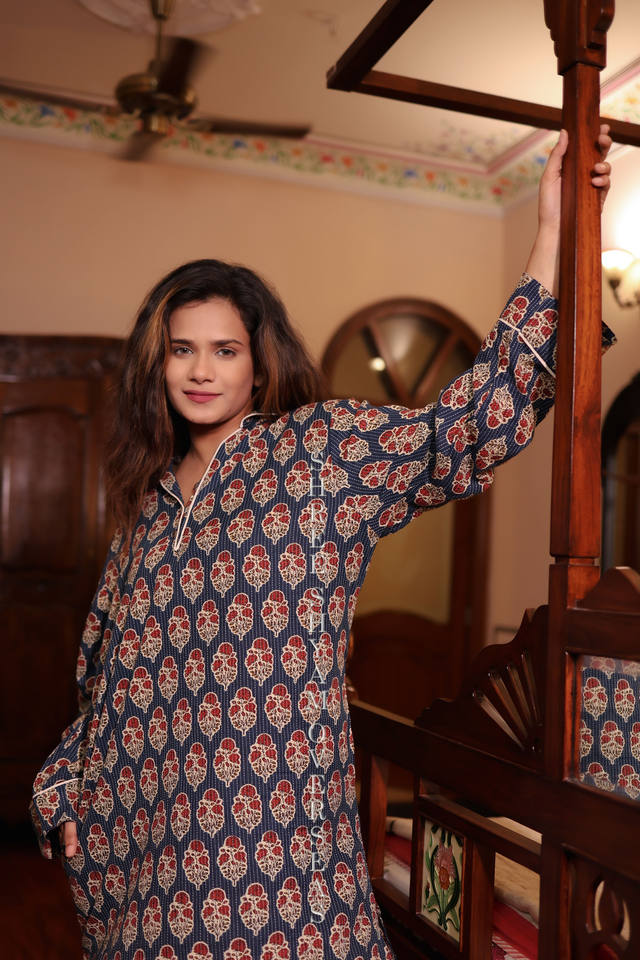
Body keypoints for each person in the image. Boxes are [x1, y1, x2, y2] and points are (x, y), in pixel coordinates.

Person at [30, 127, 613, 960]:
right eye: (181, 351)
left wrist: (553, 226)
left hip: (278, 837)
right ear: (157, 367)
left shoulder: (319, 454)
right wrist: (67, 788)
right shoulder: (147, 517)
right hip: (145, 844)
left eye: (224, 350)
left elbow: (468, 428)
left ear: (258, 366)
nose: (201, 371)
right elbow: (104, 676)